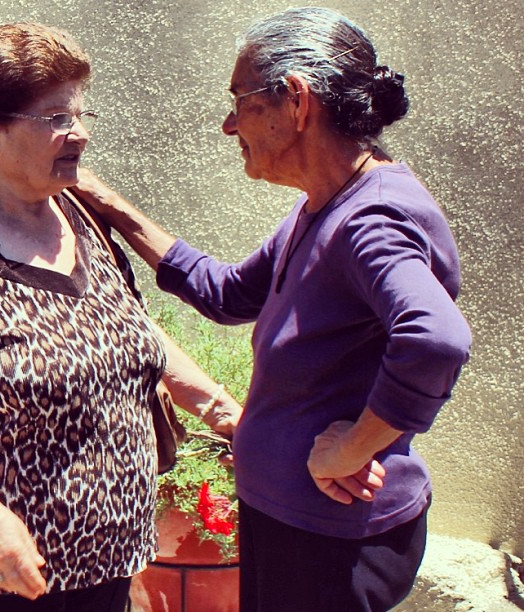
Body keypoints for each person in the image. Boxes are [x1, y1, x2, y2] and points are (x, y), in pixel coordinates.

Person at [76, 6, 473, 611]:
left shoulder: (370, 217)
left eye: (240, 101)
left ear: (295, 100)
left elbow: (436, 339)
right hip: (292, 524)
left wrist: (355, 447)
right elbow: (228, 293)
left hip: (329, 546)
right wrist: (102, 199)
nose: (229, 125)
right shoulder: (326, 205)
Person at [0, 22, 241, 612]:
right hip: (1, 572)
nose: (80, 135)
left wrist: (224, 413)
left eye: (82, 117)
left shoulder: (82, 221)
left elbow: (130, 328)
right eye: (57, 119)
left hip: (110, 559)